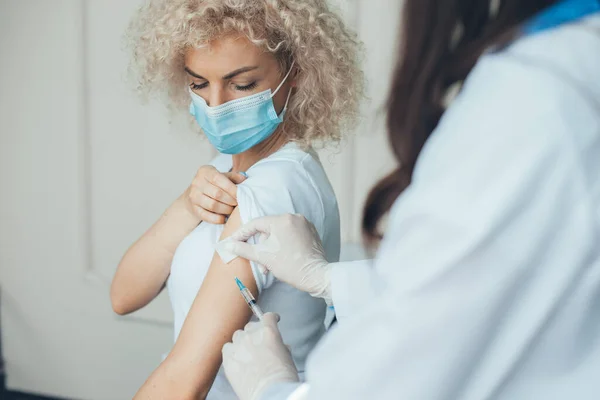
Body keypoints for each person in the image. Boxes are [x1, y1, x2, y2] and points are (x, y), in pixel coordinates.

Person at [219, 0, 600, 399]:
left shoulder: (531, 102)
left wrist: (273, 390)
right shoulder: (566, 63)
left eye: (243, 84)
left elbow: (405, 369)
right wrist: (329, 279)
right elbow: (473, 286)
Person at [109, 0, 363, 398]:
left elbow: (185, 380)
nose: (216, 105)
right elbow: (124, 296)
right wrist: (185, 208)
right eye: (198, 84)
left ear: (294, 71)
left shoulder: (272, 189)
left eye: (242, 85)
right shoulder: (228, 163)